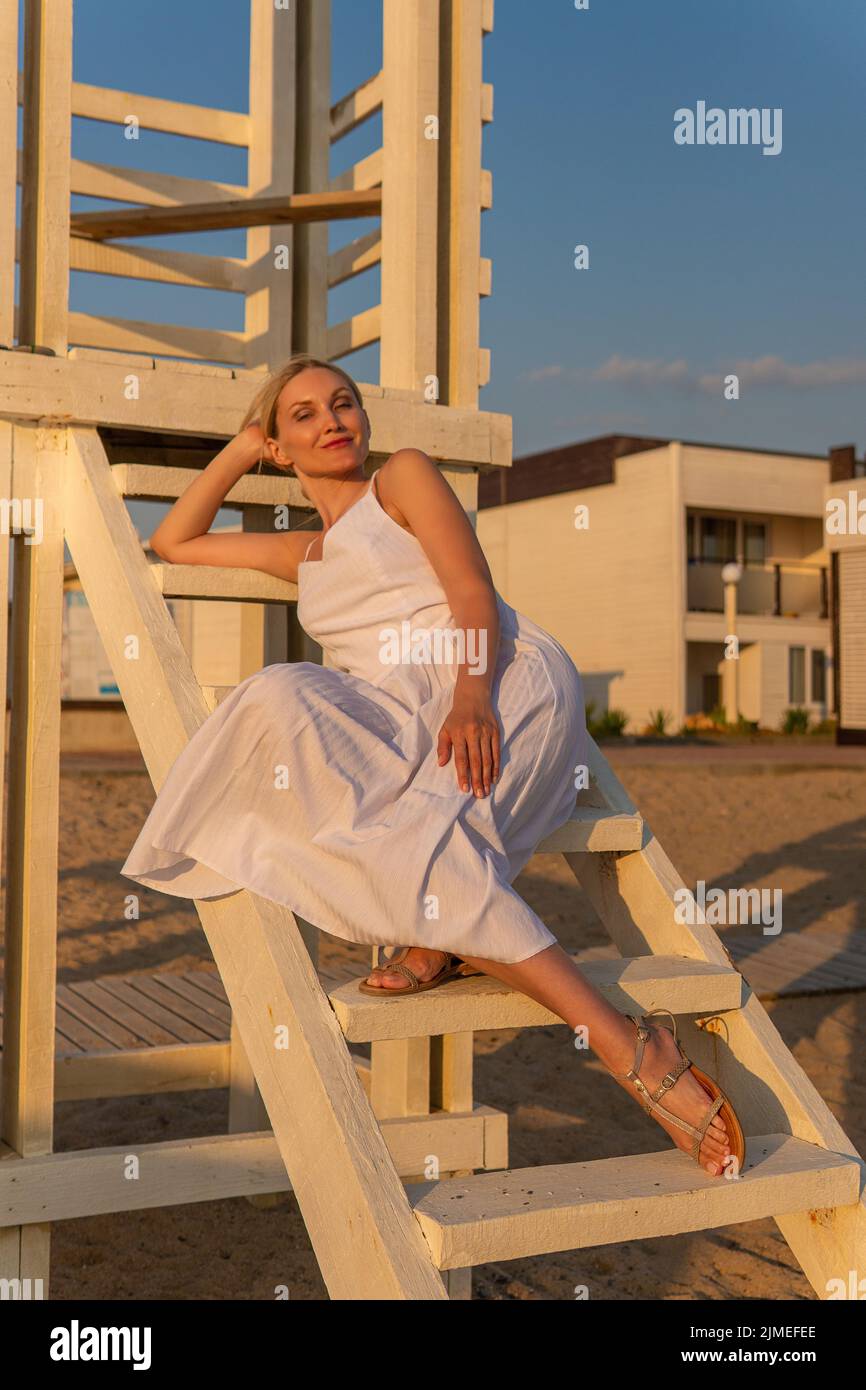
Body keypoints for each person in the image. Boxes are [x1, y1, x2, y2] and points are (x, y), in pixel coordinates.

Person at [121, 353, 738, 1177]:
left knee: (425, 854)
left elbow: (472, 589)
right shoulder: (302, 553)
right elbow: (173, 540)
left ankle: (630, 1053)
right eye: (303, 415)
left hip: (494, 677)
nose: (332, 419)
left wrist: (472, 695)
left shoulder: (402, 480)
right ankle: (453, 940)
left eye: (343, 403)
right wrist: (241, 447)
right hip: (394, 714)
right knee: (276, 696)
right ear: (281, 448)